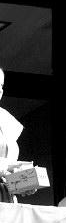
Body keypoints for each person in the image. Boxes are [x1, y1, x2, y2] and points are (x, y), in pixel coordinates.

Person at [0, 67, 24, 203]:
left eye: (1, 85)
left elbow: (11, 163)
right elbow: (8, 167)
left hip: (5, 195)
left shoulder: (5, 118)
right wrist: (7, 168)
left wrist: (23, 183)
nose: (0, 90)